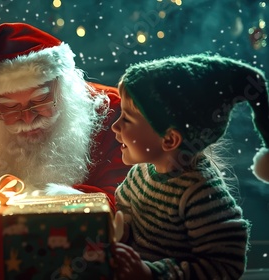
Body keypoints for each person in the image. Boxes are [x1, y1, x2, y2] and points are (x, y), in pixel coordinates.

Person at [0, 23, 130, 207]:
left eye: (40, 99)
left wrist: (70, 203)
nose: (28, 118)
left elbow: (127, 197)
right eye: (10, 107)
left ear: (63, 88)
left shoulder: (111, 113)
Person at [110, 53, 269, 279]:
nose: (115, 126)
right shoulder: (140, 174)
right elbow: (124, 213)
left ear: (169, 140)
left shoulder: (201, 194)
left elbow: (224, 266)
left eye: (127, 119)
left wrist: (150, 273)